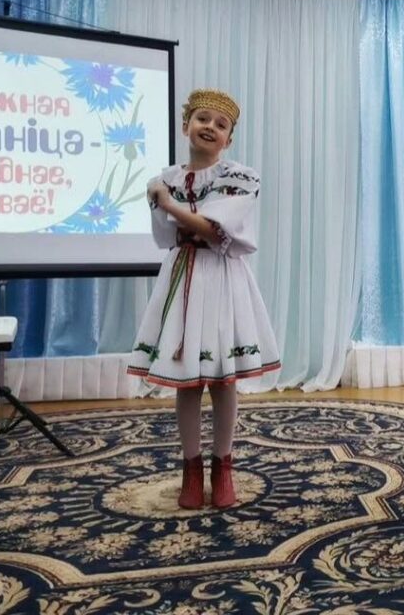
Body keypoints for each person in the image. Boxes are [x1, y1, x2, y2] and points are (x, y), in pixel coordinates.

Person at [127, 89, 281, 509]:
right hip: (183, 277)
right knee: (187, 378)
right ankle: (191, 467)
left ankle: (222, 466)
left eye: (220, 124)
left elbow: (215, 231)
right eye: (202, 119)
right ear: (185, 126)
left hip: (222, 278)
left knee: (222, 377)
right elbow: (166, 237)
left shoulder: (240, 177)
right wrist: (172, 207)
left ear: (229, 139)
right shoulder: (167, 179)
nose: (210, 127)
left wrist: (169, 205)